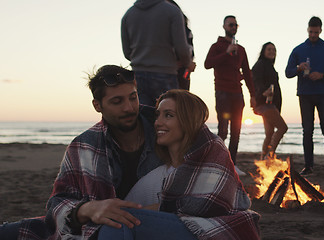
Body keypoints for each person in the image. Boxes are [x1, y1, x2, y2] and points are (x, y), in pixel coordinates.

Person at [0, 65, 163, 239]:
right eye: (117, 102)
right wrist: (87, 209)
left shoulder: (165, 128)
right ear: (97, 105)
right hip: (95, 226)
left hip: (148, 224)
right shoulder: (84, 145)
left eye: (133, 97)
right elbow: (57, 203)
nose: (129, 108)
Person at [98, 89, 261, 240]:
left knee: (118, 224)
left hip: (216, 230)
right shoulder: (157, 176)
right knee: (116, 222)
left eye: (168, 115)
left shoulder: (213, 154)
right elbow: (128, 210)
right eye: (158, 115)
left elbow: (211, 205)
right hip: (179, 229)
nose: (158, 123)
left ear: (187, 120)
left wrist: (155, 208)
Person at [285, 16, 324, 178]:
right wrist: (298, 68)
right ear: (307, 30)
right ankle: (308, 166)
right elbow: (287, 73)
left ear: (321, 30)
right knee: (307, 131)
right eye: (311, 32)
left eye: (316, 32)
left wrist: (323, 75)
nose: (313, 35)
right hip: (305, 95)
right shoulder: (298, 49)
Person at [204, 15, 256, 176]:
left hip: (237, 95)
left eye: (235, 25)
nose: (233, 27)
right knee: (223, 130)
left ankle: (232, 164)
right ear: (224, 26)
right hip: (222, 93)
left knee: (236, 131)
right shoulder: (217, 46)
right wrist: (226, 53)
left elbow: (247, 73)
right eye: (230, 24)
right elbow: (207, 64)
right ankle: (217, 162)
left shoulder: (241, 50)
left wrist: (253, 95)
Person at [121, 0, 192, 106]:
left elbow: (127, 52)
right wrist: (188, 63)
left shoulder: (128, 14)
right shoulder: (172, 11)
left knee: (143, 116)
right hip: (165, 73)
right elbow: (181, 48)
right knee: (169, 115)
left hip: (138, 75)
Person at [252, 42, 288, 159]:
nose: (272, 51)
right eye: (269, 49)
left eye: (274, 50)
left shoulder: (269, 65)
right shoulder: (260, 64)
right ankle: (270, 155)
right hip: (265, 104)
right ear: (263, 51)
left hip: (269, 105)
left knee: (269, 133)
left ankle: (263, 159)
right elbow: (255, 81)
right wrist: (263, 91)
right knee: (283, 128)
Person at [167, 0, 196, 91]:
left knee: (182, 99)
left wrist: (189, 62)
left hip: (183, 72)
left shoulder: (186, 31)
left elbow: (190, 49)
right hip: (168, 72)